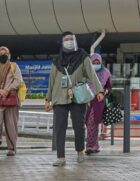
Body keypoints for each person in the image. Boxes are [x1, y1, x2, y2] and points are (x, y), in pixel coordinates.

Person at [45, 32, 104, 167]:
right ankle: (60, 157)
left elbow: (92, 74)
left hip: (78, 97)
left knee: (78, 127)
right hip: (59, 98)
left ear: (76, 41)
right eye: (66, 39)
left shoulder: (83, 57)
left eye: (71, 39)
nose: (69, 41)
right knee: (60, 129)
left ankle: (79, 151)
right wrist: (47, 99)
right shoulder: (57, 61)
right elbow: (52, 81)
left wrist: (99, 90)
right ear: (62, 42)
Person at [85, 53, 112, 155]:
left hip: (98, 100)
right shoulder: (87, 72)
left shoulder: (106, 72)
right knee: (89, 123)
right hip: (86, 99)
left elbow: (109, 87)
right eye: (93, 62)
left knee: (93, 122)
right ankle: (95, 144)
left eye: (98, 62)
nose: (96, 64)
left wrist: (103, 92)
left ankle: (90, 146)